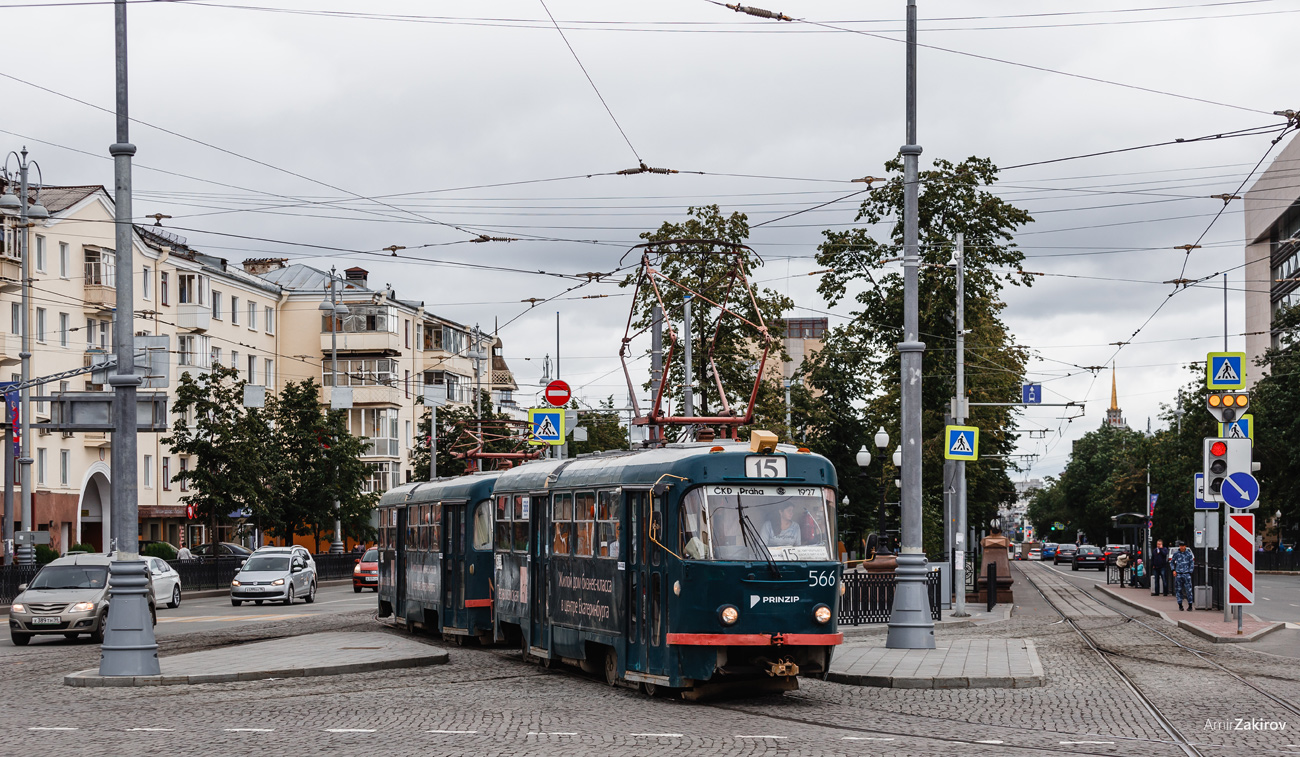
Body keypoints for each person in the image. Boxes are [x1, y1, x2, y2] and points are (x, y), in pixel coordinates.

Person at [1170, 540, 1196, 611]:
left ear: (1185, 546)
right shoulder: (1176, 554)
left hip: (1186, 573)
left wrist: (1190, 572)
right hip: (1179, 574)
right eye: (1180, 546)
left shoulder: (1188, 554)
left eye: (1183, 546)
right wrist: (1173, 570)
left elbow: (1192, 563)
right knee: (1179, 590)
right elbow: (1172, 562)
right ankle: (1180, 605)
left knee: (1188, 590)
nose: (1181, 547)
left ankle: (1190, 605)